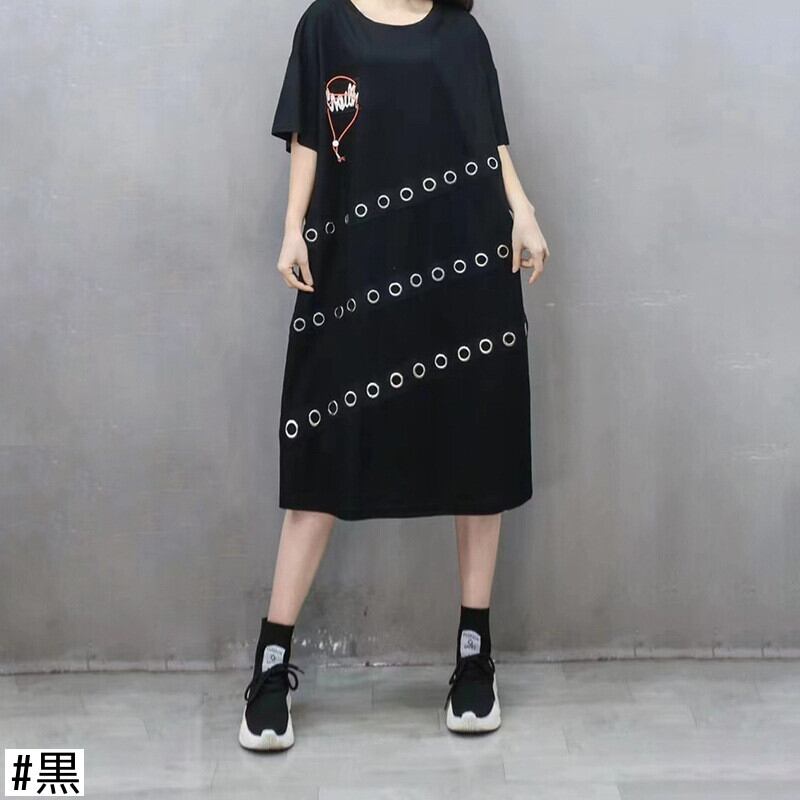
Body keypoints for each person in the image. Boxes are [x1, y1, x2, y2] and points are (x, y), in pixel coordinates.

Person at [239, 0, 549, 751]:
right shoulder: (326, 24)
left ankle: (474, 656)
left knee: (477, 443)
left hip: (463, 255)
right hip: (356, 264)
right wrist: (292, 228)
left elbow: (490, 140)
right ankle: (271, 665)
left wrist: (523, 210)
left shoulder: (462, 34)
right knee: (322, 447)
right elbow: (309, 134)